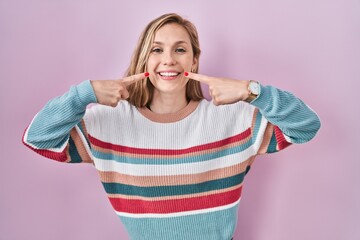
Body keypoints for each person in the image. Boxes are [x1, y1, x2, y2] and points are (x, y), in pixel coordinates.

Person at [22, 13, 321, 240]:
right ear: (144, 58)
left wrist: (252, 91)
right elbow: (38, 138)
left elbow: (306, 126)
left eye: (180, 49)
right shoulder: (108, 122)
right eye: (156, 50)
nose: (168, 60)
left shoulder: (234, 119)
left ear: (194, 58)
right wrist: (84, 94)